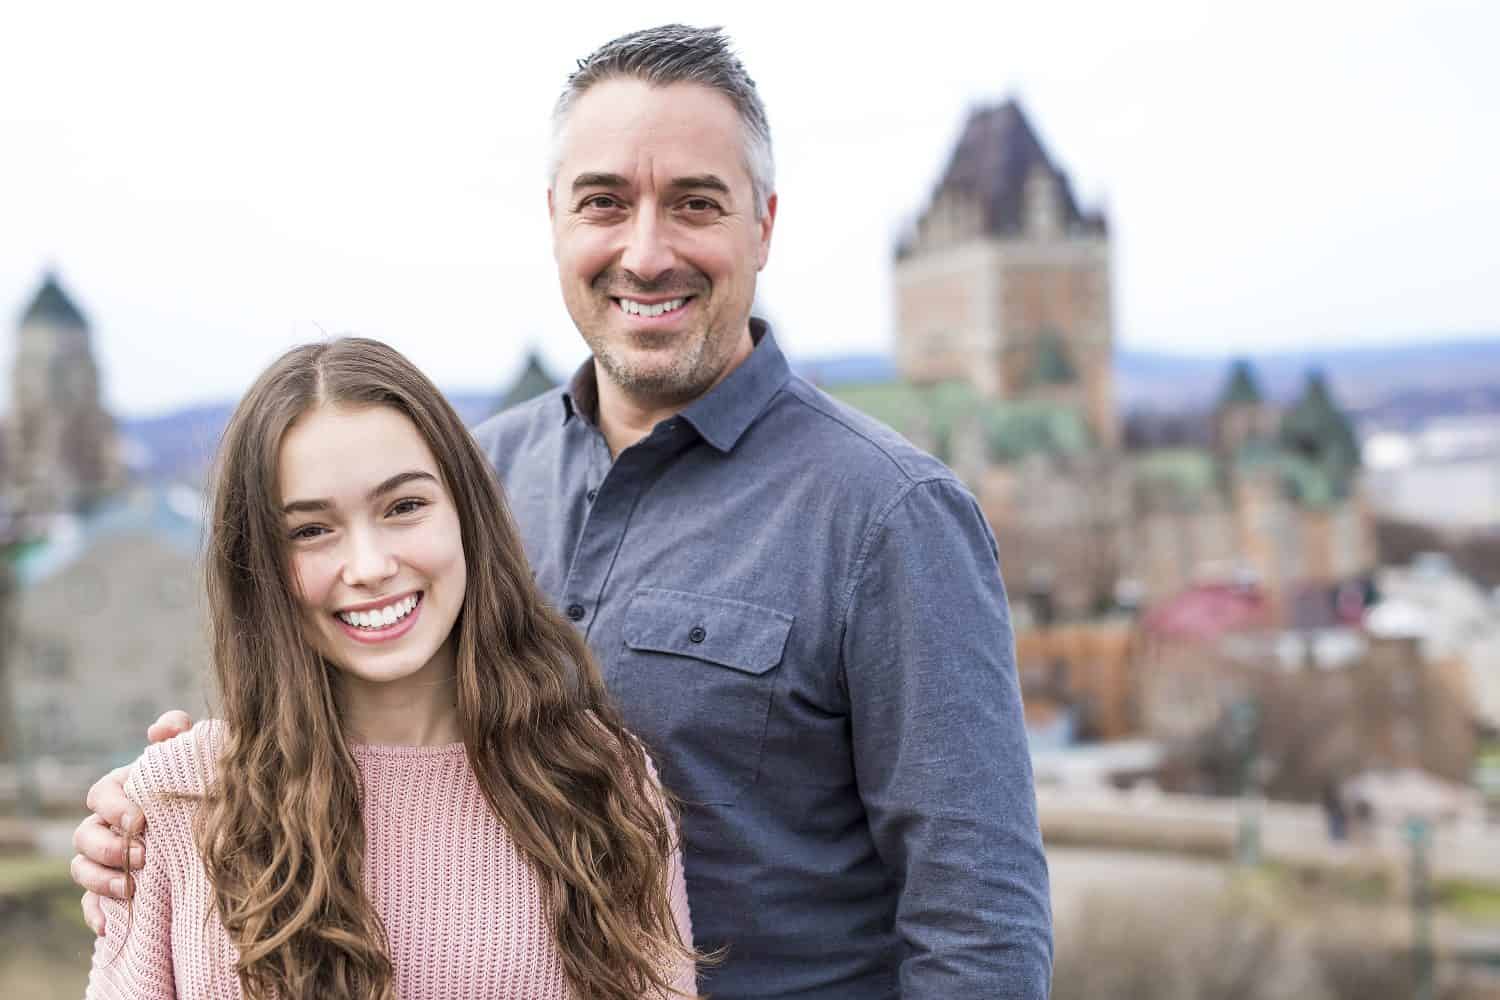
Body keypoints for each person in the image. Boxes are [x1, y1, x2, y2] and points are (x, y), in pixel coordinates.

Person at [73, 25, 1052, 998]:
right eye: (605, 203)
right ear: (554, 219)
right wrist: (172, 808)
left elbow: (980, 923)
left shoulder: (889, 513)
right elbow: (354, 725)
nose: (646, 250)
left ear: (764, 222)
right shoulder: (466, 481)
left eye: (695, 204)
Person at [82, 338, 698, 1000]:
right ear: (256, 566)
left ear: (467, 514)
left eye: (403, 507)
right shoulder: (175, 803)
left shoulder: (598, 783)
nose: (371, 565)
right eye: (311, 530)